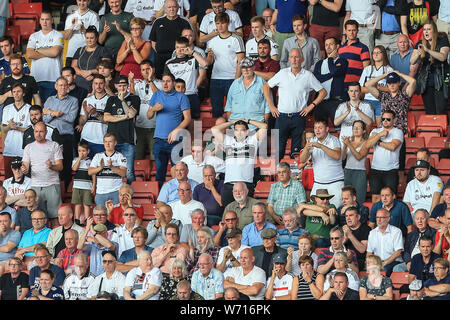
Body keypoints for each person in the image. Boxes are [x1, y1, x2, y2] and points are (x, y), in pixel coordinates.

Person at [265, 48, 326, 160]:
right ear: (288, 59)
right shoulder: (282, 73)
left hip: (299, 116)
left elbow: (323, 92)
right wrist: (271, 105)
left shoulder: (308, 75)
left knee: (296, 153)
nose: (294, 60)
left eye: (296, 57)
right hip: (281, 116)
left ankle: (296, 176)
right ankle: (278, 175)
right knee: (277, 152)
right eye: (292, 57)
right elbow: (266, 86)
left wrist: (311, 106)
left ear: (302, 59)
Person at [149, 73, 191, 190]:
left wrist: (176, 131)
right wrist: (153, 109)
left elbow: (188, 118)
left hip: (176, 141)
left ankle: (178, 196)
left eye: (168, 81)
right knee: (159, 172)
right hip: (159, 140)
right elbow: (148, 115)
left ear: (173, 83)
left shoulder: (181, 97)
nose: (165, 84)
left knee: (179, 172)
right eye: (163, 81)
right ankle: (159, 199)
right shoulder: (157, 95)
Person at [212, 119, 268, 205]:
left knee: (246, 214)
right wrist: (232, 122)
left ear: (247, 131)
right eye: (237, 130)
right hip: (229, 185)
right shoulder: (228, 140)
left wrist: (248, 121)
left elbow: (264, 126)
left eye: (242, 130)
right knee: (228, 213)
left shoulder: (253, 140)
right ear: (234, 132)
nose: (239, 132)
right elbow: (214, 129)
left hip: (246, 184)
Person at [365, 71, 416, 155]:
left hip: (398, 133)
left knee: (399, 162)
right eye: (389, 83)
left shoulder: (404, 95)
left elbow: (413, 81)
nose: (392, 85)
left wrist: (399, 74)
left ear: (399, 83)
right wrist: (385, 75)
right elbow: (368, 84)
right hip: (385, 132)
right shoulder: (384, 96)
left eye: (394, 82)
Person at [205, 12, 245, 118]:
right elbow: (209, 61)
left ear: (228, 23)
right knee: (216, 110)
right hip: (215, 78)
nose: (220, 26)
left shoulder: (236, 39)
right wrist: (209, 56)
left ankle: (233, 133)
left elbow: (241, 61)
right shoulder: (212, 40)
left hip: (232, 78)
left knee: (233, 110)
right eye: (217, 23)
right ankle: (218, 133)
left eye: (222, 23)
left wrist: (237, 80)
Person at [42, 77, 79, 189]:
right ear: (56, 86)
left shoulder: (73, 100)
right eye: (60, 85)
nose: (63, 87)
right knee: (49, 163)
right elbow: (44, 119)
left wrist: (52, 113)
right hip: (50, 137)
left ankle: (65, 190)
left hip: (65, 137)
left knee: (65, 165)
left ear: (68, 87)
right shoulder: (50, 100)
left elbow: (71, 118)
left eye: (65, 85)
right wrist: (54, 113)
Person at [103, 75, 140, 184]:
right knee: (112, 171)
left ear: (128, 86)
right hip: (113, 142)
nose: (122, 88)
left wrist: (123, 100)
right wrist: (124, 117)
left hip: (128, 141)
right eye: (120, 86)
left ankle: (131, 195)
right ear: (115, 86)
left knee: (129, 172)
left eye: (124, 86)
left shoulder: (134, 98)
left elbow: (132, 114)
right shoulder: (111, 99)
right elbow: (106, 117)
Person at [300, 119, 344, 209]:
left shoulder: (334, 140)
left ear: (327, 129)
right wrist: (306, 149)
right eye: (315, 128)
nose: (317, 130)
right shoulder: (312, 140)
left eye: (320, 128)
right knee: (316, 210)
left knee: (334, 210)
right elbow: (302, 159)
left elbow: (337, 156)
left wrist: (321, 146)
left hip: (335, 183)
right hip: (318, 183)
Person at [410, 19, 450, 115]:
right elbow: (411, 61)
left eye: (428, 29)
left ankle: (442, 128)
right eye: (424, 30)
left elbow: (443, 57)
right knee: (430, 111)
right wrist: (418, 54)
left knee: (440, 110)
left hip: (441, 79)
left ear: (434, 31)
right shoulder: (420, 43)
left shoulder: (443, 41)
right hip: (426, 80)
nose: (426, 32)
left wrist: (427, 50)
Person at [165, 37, 208, 120]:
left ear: (187, 47)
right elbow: (167, 81)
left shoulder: (194, 59)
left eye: (182, 48)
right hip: (176, 96)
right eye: (177, 47)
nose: (179, 50)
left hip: (192, 94)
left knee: (196, 124)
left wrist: (192, 52)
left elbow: (205, 64)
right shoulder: (169, 63)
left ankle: (197, 134)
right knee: (177, 122)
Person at [25, 11, 64, 103]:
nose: (45, 22)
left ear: (52, 20)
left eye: (47, 19)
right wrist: (48, 51)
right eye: (42, 19)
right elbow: (29, 54)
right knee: (38, 108)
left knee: (52, 106)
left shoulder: (58, 35)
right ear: (39, 21)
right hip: (36, 78)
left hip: (53, 77)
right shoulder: (34, 36)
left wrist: (38, 49)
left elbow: (55, 52)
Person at [366, 109, 404, 202]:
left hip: (391, 170)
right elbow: (367, 145)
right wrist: (379, 135)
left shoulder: (398, 132)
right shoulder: (376, 131)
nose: (385, 121)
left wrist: (378, 141)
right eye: (383, 119)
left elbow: (393, 146)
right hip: (375, 169)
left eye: (388, 119)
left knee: (390, 198)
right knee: (375, 197)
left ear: (394, 120)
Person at [150, 0, 192, 78]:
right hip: (160, 59)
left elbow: (190, 40)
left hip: (178, 59)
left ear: (178, 8)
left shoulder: (185, 22)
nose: (172, 9)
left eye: (174, 7)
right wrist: (160, 51)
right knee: (161, 81)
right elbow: (153, 41)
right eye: (169, 7)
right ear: (165, 9)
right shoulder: (158, 22)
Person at [224, 58, 270, 127]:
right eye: (243, 67)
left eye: (248, 67)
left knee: (273, 135)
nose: (245, 70)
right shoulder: (235, 83)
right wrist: (231, 122)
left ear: (254, 68)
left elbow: (268, 105)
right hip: (236, 126)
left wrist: (264, 122)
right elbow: (228, 106)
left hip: (255, 125)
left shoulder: (262, 82)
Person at [312, 37, 348, 124]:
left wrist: (330, 59)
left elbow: (334, 70)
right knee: (319, 128)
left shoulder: (343, 61)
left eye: (331, 44)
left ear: (337, 46)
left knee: (338, 127)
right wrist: (332, 75)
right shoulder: (319, 63)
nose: (328, 47)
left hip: (336, 101)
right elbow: (316, 79)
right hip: (321, 100)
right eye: (326, 45)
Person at [130, 60, 160, 161]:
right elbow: (132, 99)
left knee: (154, 157)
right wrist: (131, 82)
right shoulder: (138, 85)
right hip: (139, 127)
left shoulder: (160, 83)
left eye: (148, 69)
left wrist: (150, 80)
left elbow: (159, 97)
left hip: (155, 127)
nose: (146, 72)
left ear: (153, 69)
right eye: (143, 70)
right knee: (137, 157)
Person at [88, 133, 127, 206]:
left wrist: (112, 167)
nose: (107, 144)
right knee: (100, 216)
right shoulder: (98, 156)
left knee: (115, 216)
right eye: (105, 142)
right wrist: (100, 168)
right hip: (100, 193)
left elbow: (123, 173)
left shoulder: (120, 156)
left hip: (116, 192)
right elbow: (90, 172)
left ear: (115, 143)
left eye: (110, 141)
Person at [358, 46, 393, 125]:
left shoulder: (389, 70)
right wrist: (373, 88)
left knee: (380, 126)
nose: (376, 54)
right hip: (367, 100)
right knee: (365, 125)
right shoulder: (367, 69)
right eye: (374, 53)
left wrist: (377, 88)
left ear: (383, 54)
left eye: (378, 52)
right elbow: (360, 88)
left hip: (381, 101)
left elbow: (392, 89)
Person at [72, 26, 113, 92]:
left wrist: (90, 72)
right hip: (78, 81)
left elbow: (106, 68)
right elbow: (73, 66)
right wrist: (83, 73)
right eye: (87, 38)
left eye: (92, 38)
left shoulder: (103, 50)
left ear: (96, 38)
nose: (89, 40)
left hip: (95, 82)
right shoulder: (80, 50)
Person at [366, 209, 404, 276]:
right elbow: (369, 252)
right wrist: (370, 262)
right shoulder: (372, 233)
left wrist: (384, 263)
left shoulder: (396, 231)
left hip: (393, 261)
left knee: (384, 269)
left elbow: (398, 252)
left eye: (382, 217)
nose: (379, 220)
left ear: (388, 219)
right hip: (377, 262)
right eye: (377, 217)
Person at [341, 121, 370, 205]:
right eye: (354, 127)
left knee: (359, 198)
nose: (356, 129)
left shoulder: (366, 142)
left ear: (364, 130)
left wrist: (348, 144)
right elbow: (343, 157)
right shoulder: (349, 142)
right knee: (347, 198)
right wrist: (345, 146)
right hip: (348, 170)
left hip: (360, 172)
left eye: (358, 127)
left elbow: (359, 156)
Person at [64, 0, 100, 67]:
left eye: (84, 1)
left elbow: (96, 37)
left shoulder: (94, 15)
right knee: (68, 75)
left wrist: (83, 28)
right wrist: (72, 26)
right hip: (71, 53)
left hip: (87, 53)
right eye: (79, 0)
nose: (81, 3)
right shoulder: (70, 16)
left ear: (88, 1)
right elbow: (66, 37)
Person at [338, 20, 371, 89]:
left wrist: (362, 86)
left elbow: (366, 70)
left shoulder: (363, 48)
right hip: (341, 84)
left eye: (354, 30)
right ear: (345, 31)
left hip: (356, 86)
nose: (351, 33)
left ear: (357, 31)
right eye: (349, 30)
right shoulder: (340, 48)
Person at [71, 141, 95, 225]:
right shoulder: (75, 160)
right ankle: (76, 220)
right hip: (77, 186)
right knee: (77, 204)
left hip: (87, 186)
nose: (81, 153)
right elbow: (74, 169)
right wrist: (79, 159)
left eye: (83, 151)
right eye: (79, 151)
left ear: (88, 151)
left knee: (86, 204)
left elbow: (93, 175)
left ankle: (86, 220)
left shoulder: (91, 161)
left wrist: (93, 186)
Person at [342, 206, 371, 271]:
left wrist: (350, 235)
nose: (348, 218)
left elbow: (362, 249)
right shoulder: (343, 229)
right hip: (343, 260)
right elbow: (335, 247)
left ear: (358, 217)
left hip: (359, 261)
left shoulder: (366, 229)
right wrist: (344, 240)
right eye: (346, 216)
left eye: (351, 215)